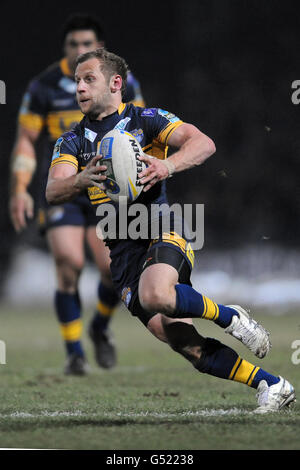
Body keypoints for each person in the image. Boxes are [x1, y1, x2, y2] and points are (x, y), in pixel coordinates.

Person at [46, 48, 295, 413]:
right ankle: (273, 385)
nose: (79, 88)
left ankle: (230, 316)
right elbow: (53, 190)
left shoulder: (147, 119)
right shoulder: (72, 141)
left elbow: (203, 143)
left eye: (89, 79)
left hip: (160, 229)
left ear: (116, 83)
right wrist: (82, 178)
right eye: (77, 82)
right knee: (183, 341)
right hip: (122, 251)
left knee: (156, 294)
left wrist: (167, 166)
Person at [9, 14, 145, 375]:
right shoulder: (44, 86)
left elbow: (140, 126)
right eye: (73, 44)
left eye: (87, 44)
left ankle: (99, 328)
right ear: (64, 48)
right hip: (66, 186)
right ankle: (74, 354)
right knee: (68, 263)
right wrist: (20, 189)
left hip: (108, 188)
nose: (79, 50)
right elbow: (26, 139)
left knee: (111, 270)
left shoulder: (123, 81)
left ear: (99, 47)